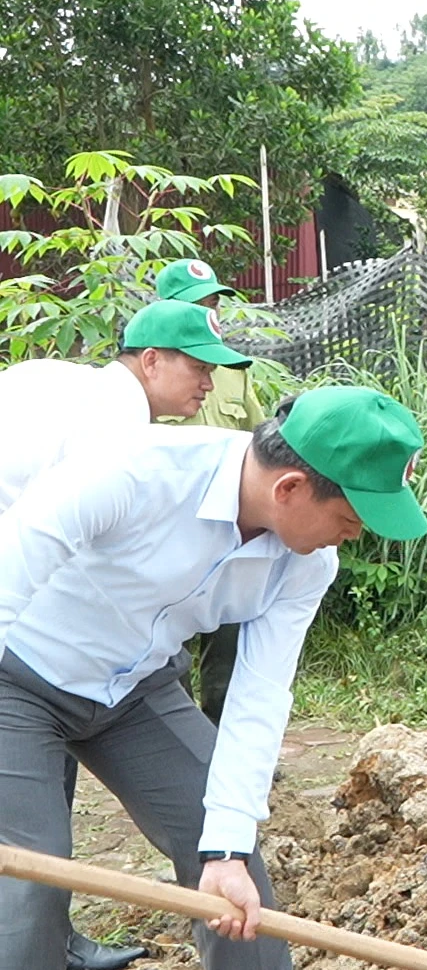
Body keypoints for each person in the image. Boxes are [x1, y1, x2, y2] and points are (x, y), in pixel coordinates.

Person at [0, 386, 427, 970]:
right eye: (351, 515)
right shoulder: (135, 471)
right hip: (19, 679)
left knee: (238, 884)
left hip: (134, 690)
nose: (356, 533)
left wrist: (225, 847)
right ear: (289, 489)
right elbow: (11, 569)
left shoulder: (307, 565)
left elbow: (259, 695)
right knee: (34, 880)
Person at [0, 297, 244, 970]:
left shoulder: (69, 385)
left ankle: (52, 934)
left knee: (37, 805)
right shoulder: (117, 430)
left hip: (36, 611)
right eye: (197, 367)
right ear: (150, 360)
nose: (208, 383)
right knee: (29, 839)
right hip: (17, 614)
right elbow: (53, 553)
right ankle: (42, 934)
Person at [152, 258, 268, 726]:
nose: (210, 313)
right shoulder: (150, 375)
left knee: (229, 636)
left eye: (214, 303)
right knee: (168, 646)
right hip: (170, 532)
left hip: (227, 529)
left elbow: (260, 437)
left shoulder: (233, 372)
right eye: (199, 304)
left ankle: (223, 737)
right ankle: (180, 740)